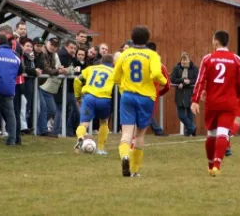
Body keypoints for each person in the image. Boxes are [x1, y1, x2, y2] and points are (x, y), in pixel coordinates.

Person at [191, 30, 240, 177]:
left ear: (216, 41)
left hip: (212, 102)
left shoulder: (208, 59)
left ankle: (210, 166)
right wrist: (235, 94)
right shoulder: (236, 59)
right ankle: (217, 165)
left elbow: (200, 81)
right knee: (223, 133)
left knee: (211, 134)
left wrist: (195, 100)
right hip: (229, 102)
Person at [113, 25, 167, 177]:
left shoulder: (125, 54)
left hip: (128, 96)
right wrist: (162, 81)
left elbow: (115, 77)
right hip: (145, 97)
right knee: (140, 135)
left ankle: (124, 156)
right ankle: (135, 170)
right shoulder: (152, 55)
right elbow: (156, 73)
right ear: (147, 38)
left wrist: (124, 82)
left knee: (126, 133)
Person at [73, 54, 115, 155]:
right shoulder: (114, 71)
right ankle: (100, 149)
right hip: (104, 99)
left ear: (101, 61)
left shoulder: (91, 68)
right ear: (112, 63)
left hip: (89, 98)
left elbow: (77, 80)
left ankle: (80, 137)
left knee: (84, 124)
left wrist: (78, 96)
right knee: (104, 122)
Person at [170, 52, 199, 136]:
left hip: (190, 94)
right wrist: (182, 81)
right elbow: (173, 79)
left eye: (186, 60)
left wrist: (188, 82)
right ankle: (192, 128)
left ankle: (190, 132)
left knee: (190, 115)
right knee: (181, 115)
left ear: (189, 60)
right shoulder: (176, 68)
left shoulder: (194, 68)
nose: (184, 61)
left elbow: (196, 79)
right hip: (180, 95)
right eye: (183, 60)